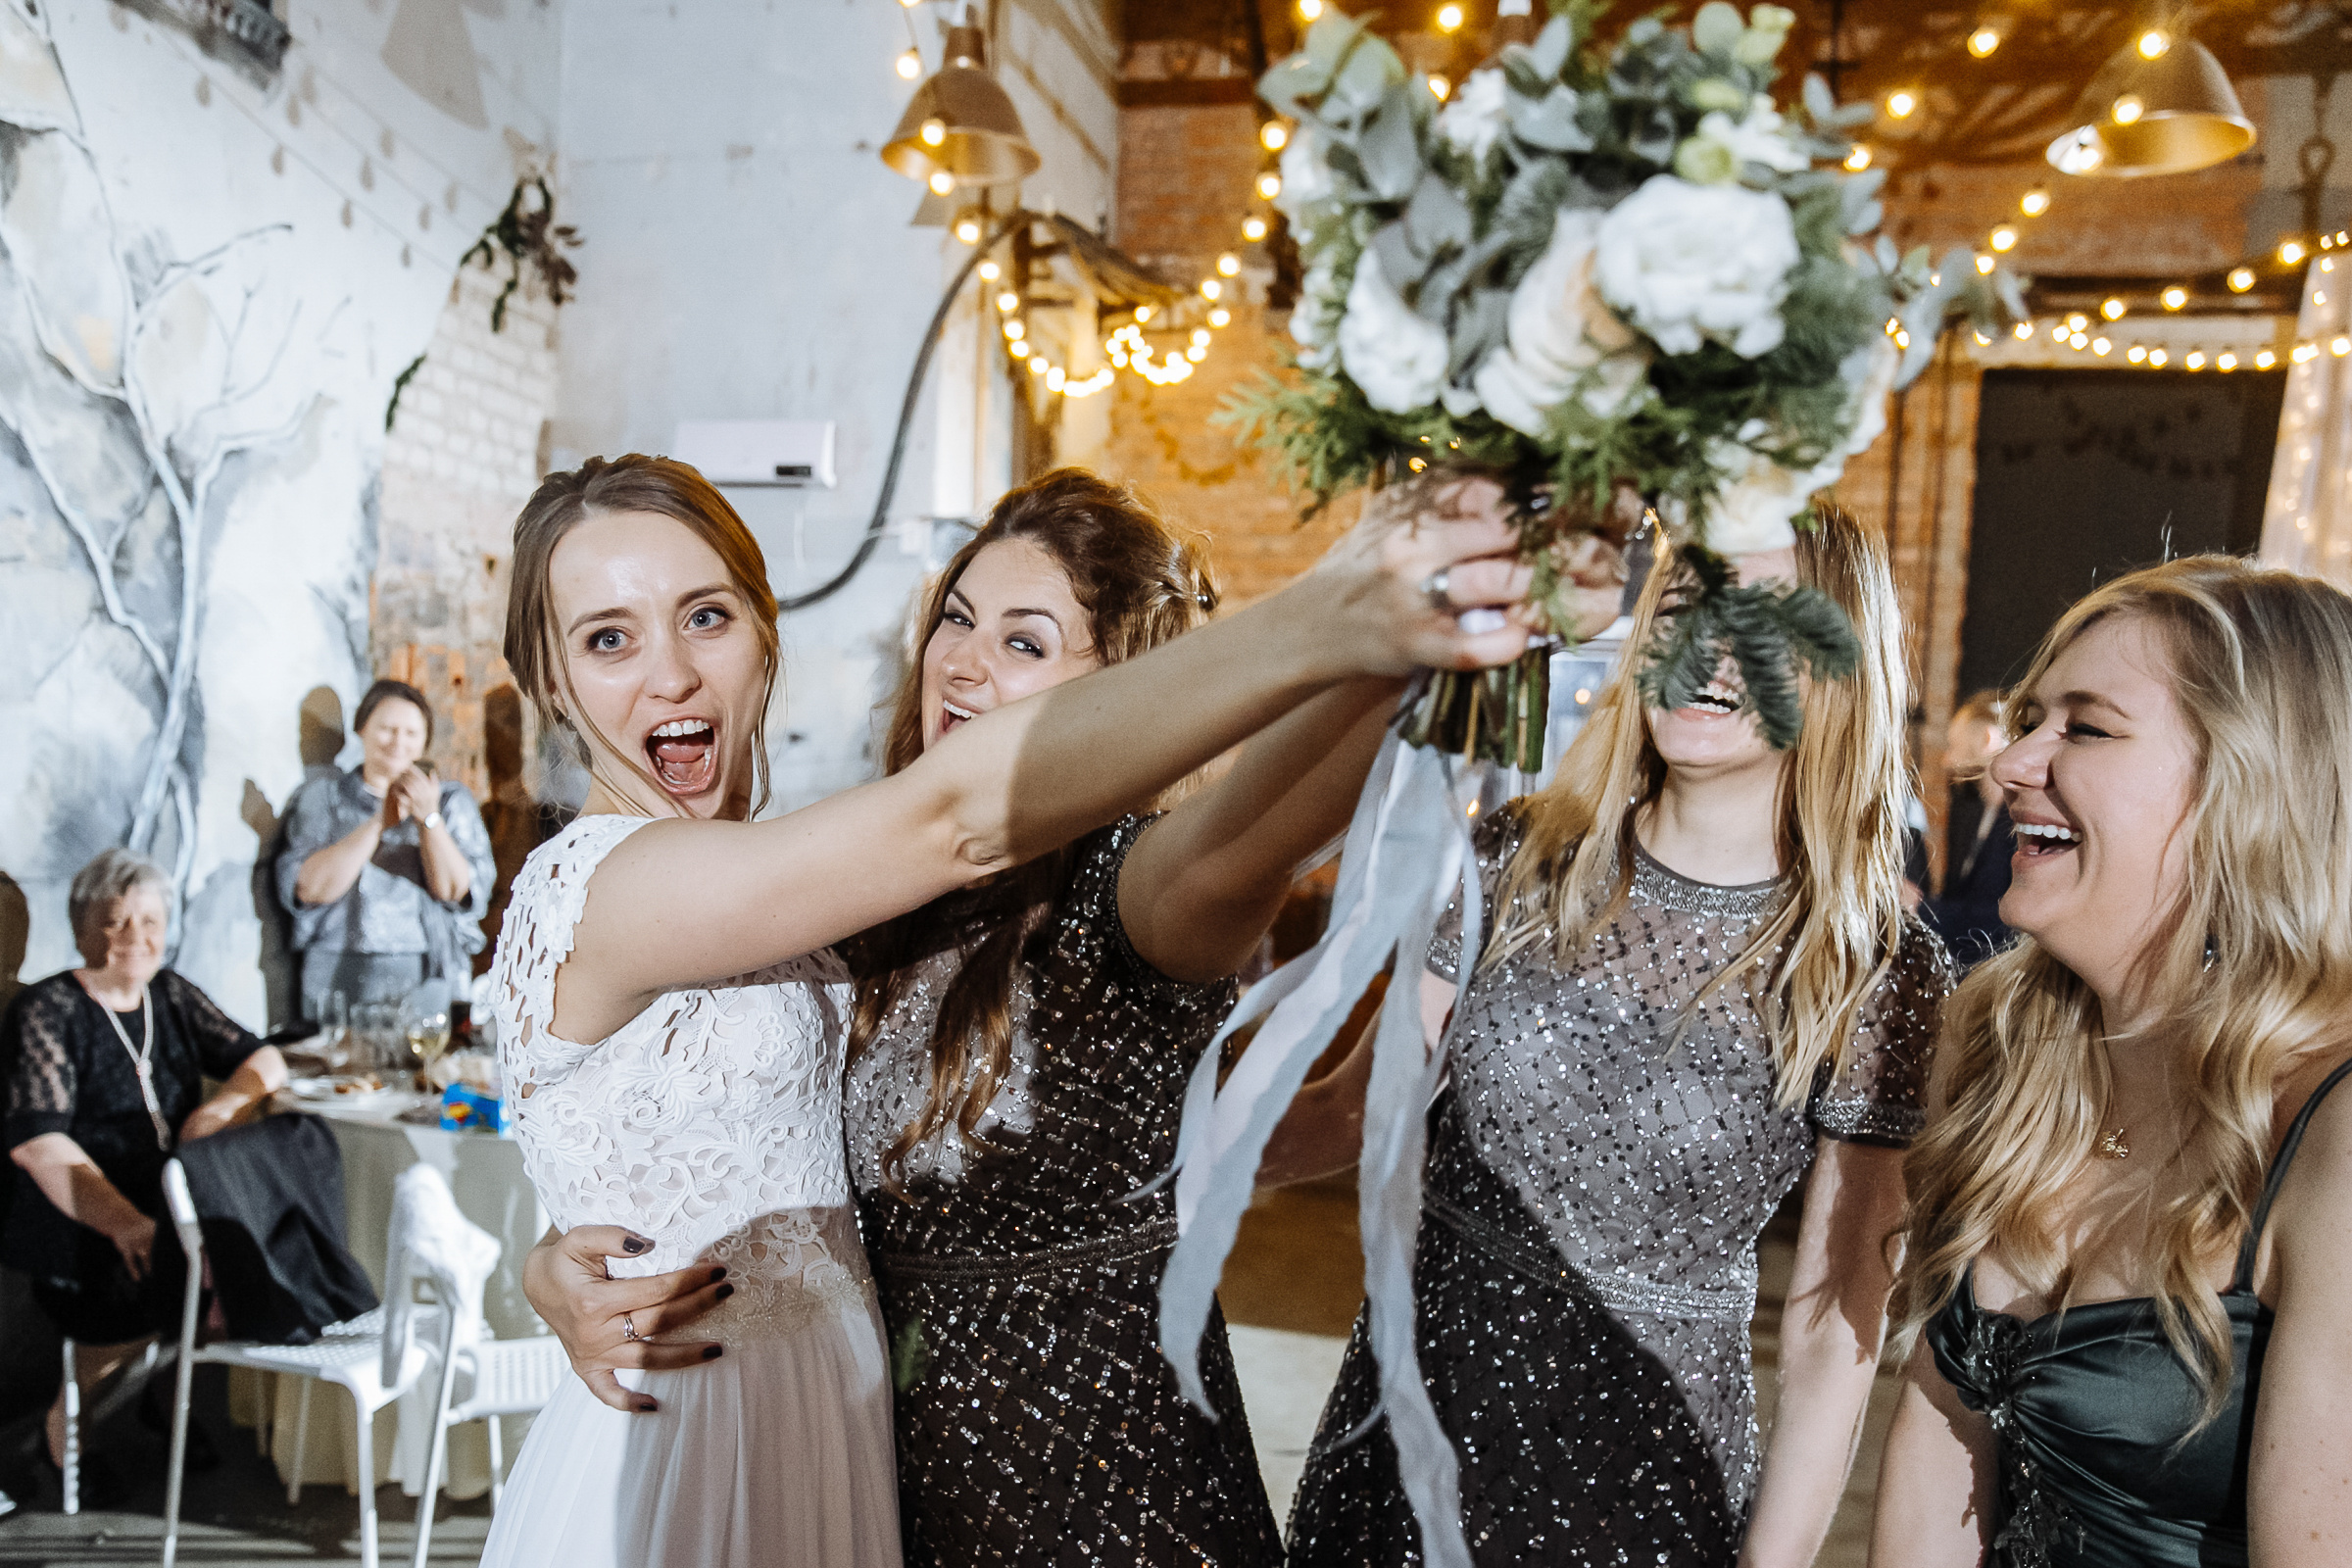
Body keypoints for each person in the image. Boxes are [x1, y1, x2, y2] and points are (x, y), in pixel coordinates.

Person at [473, 454, 1537, 1568]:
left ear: (764, 630)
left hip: (1013, 1480)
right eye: (608, 639)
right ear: (548, 680)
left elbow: (1250, 834)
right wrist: (1350, 605)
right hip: (706, 1462)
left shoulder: (868, 889)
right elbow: (954, 817)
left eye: (705, 617)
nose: (672, 677)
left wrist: (1422, 646)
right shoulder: (642, 880)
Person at [1266, 509, 1953, 1566]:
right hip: (1400, 1464)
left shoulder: (1868, 967)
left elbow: (1830, 1330)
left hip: (1642, 1491)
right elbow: (1350, 1110)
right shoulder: (1512, 860)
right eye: (1684, 609)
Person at [1873, 558, 2352, 1568]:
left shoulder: (2336, 1126)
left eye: (2083, 728)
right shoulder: (2000, 1039)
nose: (2010, 764)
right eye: (2029, 716)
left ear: (2253, 787)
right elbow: (1937, 1462)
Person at [1, 849, 287, 1472]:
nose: (136, 937)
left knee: (241, 1258)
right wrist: (127, 1223)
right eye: (116, 921)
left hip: (170, 1195)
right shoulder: (47, 1011)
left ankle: (162, 1401)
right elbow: (37, 1142)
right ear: (81, 929)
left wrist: (220, 1110)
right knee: (141, 1291)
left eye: (151, 922)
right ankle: (67, 1429)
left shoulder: (170, 994)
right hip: (81, 1209)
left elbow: (264, 1058)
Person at [276, 678, 495, 1020]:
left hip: (426, 969)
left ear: (425, 741)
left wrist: (429, 817)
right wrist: (380, 822)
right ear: (361, 729)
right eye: (387, 729)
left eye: (411, 733)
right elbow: (309, 889)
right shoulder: (324, 798)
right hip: (337, 969)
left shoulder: (451, 800)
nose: (398, 743)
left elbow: (455, 892)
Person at [1918, 688, 2014, 968]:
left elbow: (2002, 923)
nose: (1947, 760)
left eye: (1954, 744)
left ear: (1987, 739)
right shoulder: (1981, 815)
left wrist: (1919, 908)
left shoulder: (2016, 823)